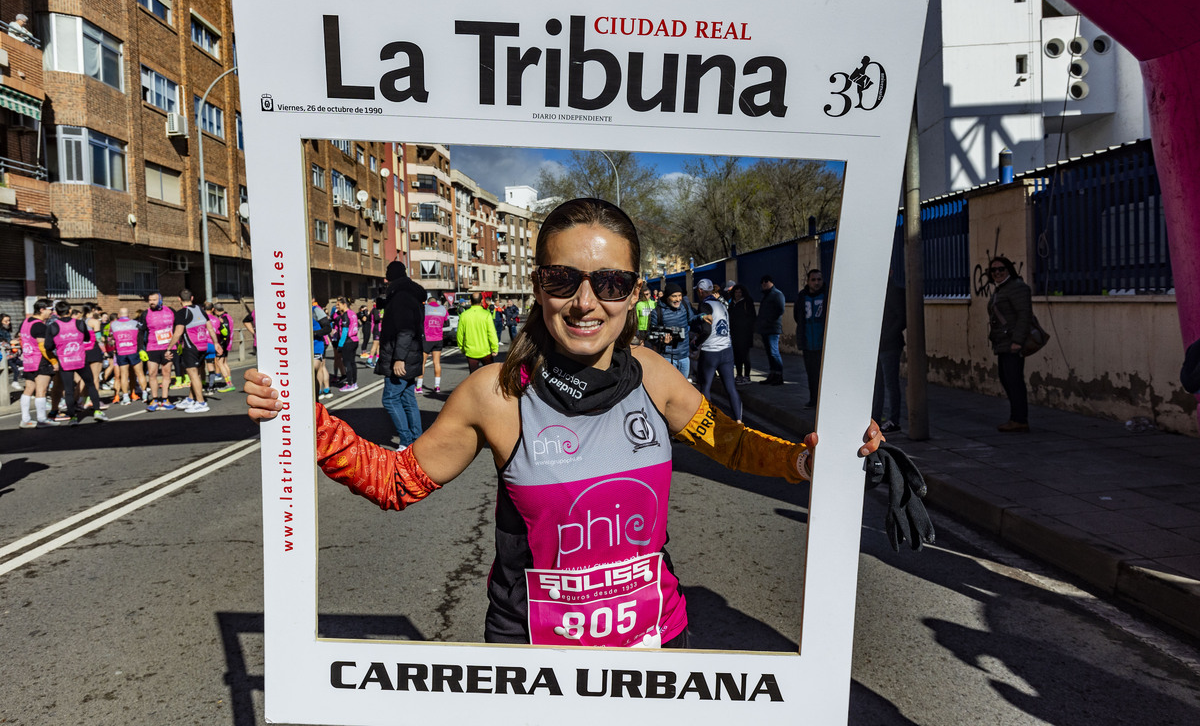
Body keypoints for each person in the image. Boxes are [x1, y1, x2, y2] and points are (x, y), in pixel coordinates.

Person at [244, 197, 884, 648]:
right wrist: (303, 420)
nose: (585, 302)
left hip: (653, 648)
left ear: (633, 292)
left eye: (609, 282)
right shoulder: (495, 395)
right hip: (533, 661)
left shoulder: (653, 374)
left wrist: (808, 459)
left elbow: (734, 446)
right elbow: (395, 479)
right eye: (563, 279)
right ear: (537, 285)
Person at [376, 261, 425, 447]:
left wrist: (398, 359)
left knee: (390, 399)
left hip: (402, 356)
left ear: (392, 275)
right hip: (412, 354)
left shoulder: (401, 296)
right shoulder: (408, 293)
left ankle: (406, 440)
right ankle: (416, 439)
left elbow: (405, 330)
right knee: (407, 397)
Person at [987, 256, 1033, 432]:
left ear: (1009, 270)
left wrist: (1017, 341)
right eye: (994, 270)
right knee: (1007, 379)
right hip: (1002, 343)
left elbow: (1024, 315)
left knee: (1014, 381)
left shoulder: (1017, 288)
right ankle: (1016, 417)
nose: (997, 272)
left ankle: (1020, 419)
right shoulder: (1001, 289)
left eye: (1001, 269)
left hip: (1012, 343)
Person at [45, 301, 107, 424]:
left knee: (68, 390)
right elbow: (87, 338)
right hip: (80, 360)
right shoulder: (80, 323)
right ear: (69, 311)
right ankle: (97, 411)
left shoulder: (53, 326)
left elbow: (48, 346)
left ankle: (73, 418)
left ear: (56, 313)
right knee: (90, 385)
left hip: (65, 361)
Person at [692, 277, 742, 421]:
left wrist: (695, 343)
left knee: (706, 386)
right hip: (727, 349)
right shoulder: (722, 305)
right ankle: (738, 421)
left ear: (701, 291)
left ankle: (708, 421)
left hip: (711, 351)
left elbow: (706, 330)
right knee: (730, 388)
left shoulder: (705, 305)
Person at [166, 289, 221, 413]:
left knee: (193, 374)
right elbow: (211, 329)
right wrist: (216, 343)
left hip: (191, 347)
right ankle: (191, 399)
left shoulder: (181, 313)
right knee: (196, 374)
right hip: (203, 346)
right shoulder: (200, 310)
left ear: (179, 299)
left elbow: (178, 333)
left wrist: (169, 348)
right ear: (192, 298)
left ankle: (201, 403)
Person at [872, 273, 906, 433]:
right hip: (877, 346)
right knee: (877, 384)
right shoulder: (875, 292)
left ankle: (894, 419)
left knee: (890, 383)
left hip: (889, 345)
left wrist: (885, 337)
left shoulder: (893, 291)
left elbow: (902, 318)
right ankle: (875, 418)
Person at [16, 299, 55, 428]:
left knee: (28, 389)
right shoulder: (39, 326)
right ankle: (42, 419)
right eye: (50, 309)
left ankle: (25, 419)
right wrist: (54, 361)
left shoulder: (25, 322)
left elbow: (22, 340)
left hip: (28, 359)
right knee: (41, 390)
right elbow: (43, 347)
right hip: (40, 360)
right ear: (42, 309)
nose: (52, 312)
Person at [141, 292, 177, 411]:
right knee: (152, 374)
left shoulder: (170, 311)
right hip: (152, 348)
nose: (151, 302)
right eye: (150, 300)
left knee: (167, 373)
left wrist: (178, 343)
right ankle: (155, 400)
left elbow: (178, 327)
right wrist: (140, 349)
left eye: (154, 300)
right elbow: (140, 332)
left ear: (161, 300)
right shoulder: (146, 313)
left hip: (168, 347)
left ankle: (165, 399)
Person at [648, 282, 691, 378]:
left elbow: (692, 319)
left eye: (680, 295)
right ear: (667, 297)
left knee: (683, 388)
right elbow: (650, 335)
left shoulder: (684, 306)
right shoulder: (657, 312)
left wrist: (702, 317)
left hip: (684, 357)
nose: (678, 299)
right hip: (667, 357)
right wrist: (661, 341)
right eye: (674, 296)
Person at [797, 268, 827, 408]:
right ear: (808, 281)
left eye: (819, 279)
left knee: (824, 375)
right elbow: (798, 316)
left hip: (824, 344)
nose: (816, 283)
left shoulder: (827, 295)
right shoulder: (802, 297)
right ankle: (813, 400)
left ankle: (825, 401)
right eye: (813, 280)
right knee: (811, 374)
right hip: (808, 343)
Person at [110, 307, 147, 405]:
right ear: (128, 314)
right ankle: (145, 394)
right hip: (133, 350)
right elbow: (140, 336)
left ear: (119, 314)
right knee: (140, 373)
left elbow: (111, 340)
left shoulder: (113, 325)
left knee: (124, 375)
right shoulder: (135, 323)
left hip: (121, 352)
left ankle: (126, 397)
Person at [756, 275, 785, 386]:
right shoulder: (766, 295)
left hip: (773, 329)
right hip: (765, 329)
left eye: (766, 281)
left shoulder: (777, 294)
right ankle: (772, 374)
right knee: (769, 353)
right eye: (762, 282)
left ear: (771, 282)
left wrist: (769, 320)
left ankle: (779, 375)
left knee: (774, 352)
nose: (764, 283)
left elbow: (780, 309)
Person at [458, 292, 499, 372]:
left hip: (471, 351)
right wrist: (494, 348)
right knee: (489, 374)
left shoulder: (464, 315)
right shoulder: (486, 314)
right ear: (482, 301)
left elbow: (460, 334)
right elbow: (491, 333)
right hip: (486, 351)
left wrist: (462, 348)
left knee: (473, 376)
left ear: (470, 301)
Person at [417, 294, 448, 394]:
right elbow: (446, 322)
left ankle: (419, 387)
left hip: (427, 338)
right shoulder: (443, 309)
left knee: (423, 362)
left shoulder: (424, 308)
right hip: (438, 338)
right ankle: (437, 386)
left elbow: (418, 321)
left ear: (428, 302)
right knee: (437, 362)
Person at [727, 282, 756, 384]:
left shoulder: (747, 302)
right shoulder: (732, 303)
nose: (738, 294)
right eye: (736, 292)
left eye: (740, 292)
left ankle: (747, 376)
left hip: (745, 334)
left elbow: (752, 317)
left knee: (745, 356)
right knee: (737, 356)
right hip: (734, 334)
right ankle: (739, 375)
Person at [335, 297, 360, 392]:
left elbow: (345, 331)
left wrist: (340, 345)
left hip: (348, 341)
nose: (337, 306)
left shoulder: (345, 315)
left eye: (338, 304)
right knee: (353, 362)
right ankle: (354, 383)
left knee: (347, 363)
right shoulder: (353, 313)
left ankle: (350, 384)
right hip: (355, 340)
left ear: (344, 304)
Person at [312, 301, 333, 400]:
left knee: (316, 369)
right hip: (302, 349)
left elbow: (328, 328)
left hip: (317, 346)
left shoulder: (315, 310)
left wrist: (314, 333)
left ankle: (319, 392)